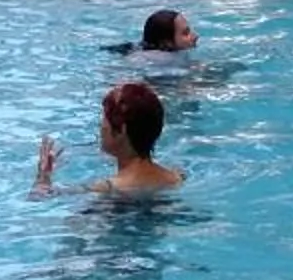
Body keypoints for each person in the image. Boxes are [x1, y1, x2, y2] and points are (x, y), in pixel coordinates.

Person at [34, 78, 184, 199]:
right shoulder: (177, 177)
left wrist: (43, 176)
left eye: (104, 121)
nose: (101, 128)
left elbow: (39, 197)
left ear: (122, 130)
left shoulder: (105, 189)